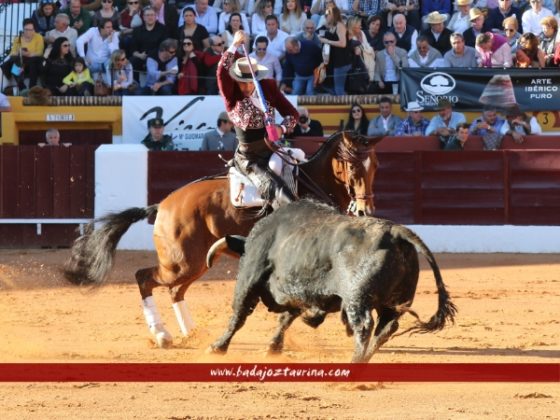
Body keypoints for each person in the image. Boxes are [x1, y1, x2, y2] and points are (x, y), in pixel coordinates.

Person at [217, 30, 299, 208]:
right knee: (274, 188)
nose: (246, 86)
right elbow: (221, 72)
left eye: (249, 81)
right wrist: (235, 45)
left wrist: (282, 129)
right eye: (241, 81)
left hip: (273, 148)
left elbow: (293, 114)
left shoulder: (268, 87)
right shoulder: (231, 95)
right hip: (249, 157)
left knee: (301, 168)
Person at [1, 19, 44, 92]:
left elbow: (39, 52)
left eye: (31, 30)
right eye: (26, 29)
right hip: (20, 60)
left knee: (32, 62)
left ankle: (31, 86)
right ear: (23, 29)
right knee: (15, 61)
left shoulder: (38, 37)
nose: (28, 32)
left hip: (34, 59)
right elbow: (12, 53)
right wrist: (20, 52)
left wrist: (29, 54)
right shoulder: (18, 39)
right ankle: (21, 84)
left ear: (34, 29)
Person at [318, 6, 352, 96]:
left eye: (327, 15)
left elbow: (343, 43)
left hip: (342, 62)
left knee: (338, 88)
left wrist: (326, 41)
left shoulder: (340, 25)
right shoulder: (331, 26)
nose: (325, 16)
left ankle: (346, 107)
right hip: (335, 62)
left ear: (333, 15)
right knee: (331, 86)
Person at [129, 6, 169, 82]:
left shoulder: (163, 29)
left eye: (152, 15)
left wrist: (150, 56)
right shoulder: (137, 30)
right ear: (143, 17)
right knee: (132, 61)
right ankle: (135, 84)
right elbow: (133, 49)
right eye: (147, 15)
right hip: (142, 57)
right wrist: (140, 55)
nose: (150, 17)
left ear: (156, 16)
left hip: (156, 57)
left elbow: (164, 47)